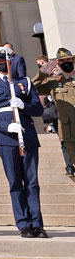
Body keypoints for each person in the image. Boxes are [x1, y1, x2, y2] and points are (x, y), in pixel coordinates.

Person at [0, 46, 46, 238]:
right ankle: (24, 224)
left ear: (11, 62)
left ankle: (37, 224)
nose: (3, 63)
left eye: (6, 61)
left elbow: (38, 109)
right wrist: (5, 126)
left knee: (32, 182)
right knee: (15, 182)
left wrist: (24, 105)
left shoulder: (24, 82)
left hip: (27, 134)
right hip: (6, 137)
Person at [33, 48, 75, 176]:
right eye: (62, 61)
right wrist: (43, 73)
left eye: (68, 59)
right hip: (68, 128)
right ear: (58, 63)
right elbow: (32, 88)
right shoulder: (53, 82)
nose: (66, 63)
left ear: (73, 60)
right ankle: (70, 166)